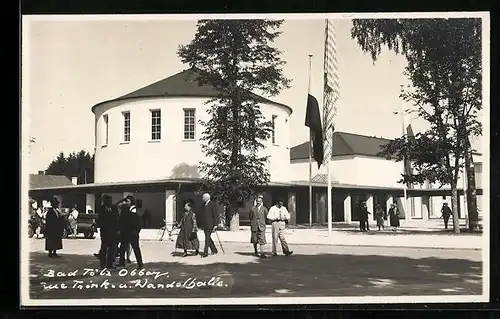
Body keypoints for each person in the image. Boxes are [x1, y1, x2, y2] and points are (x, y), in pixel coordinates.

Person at [118, 196, 144, 269]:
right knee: (123, 247)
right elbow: (117, 206)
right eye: (126, 201)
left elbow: (138, 222)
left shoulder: (133, 209)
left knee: (135, 248)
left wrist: (136, 231)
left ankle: (140, 263)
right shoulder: (124, 209)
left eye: (128, 201)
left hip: (133, 232)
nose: (126, 203)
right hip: (125, 232)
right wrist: (123, 200)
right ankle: (121, 262)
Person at [97, 195, 120, 269]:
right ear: (105, 201)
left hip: (113, 231)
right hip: (105, 231)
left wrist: (117, 230)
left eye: (111, 201)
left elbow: (117, 218)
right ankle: (102, 265)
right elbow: (101, 220)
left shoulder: (114, 208)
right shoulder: (101, 209)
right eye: (108, 201)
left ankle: (109, 264)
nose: (110, 202)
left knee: (112, 248)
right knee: (104, 248)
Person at [201, 193, 219, 258]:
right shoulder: (203, 204)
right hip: (205, 224)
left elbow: (216, 214)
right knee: (208, 237)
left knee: (207, 238)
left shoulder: (212, 204)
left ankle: (205, 253)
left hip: (210, 224)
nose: (202, 198)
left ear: (207, 198)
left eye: (203, 197)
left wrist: (216, 224)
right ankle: (214, 250)